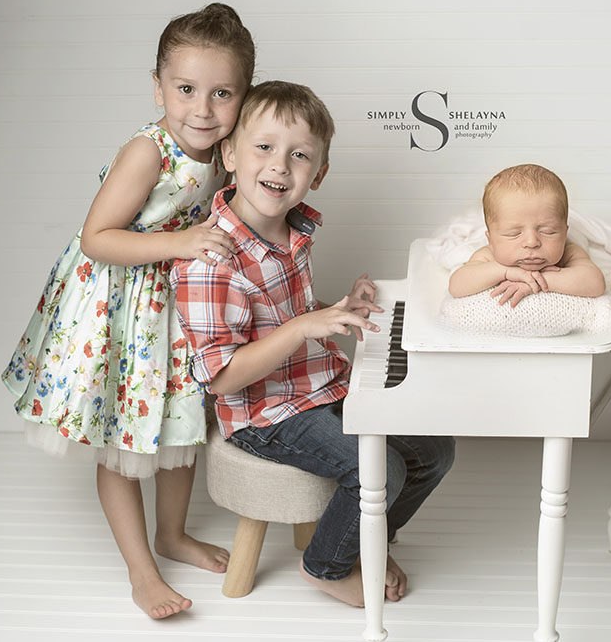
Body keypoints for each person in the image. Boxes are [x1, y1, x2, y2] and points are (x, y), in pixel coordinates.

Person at [1, 3, 254, 619]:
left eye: (222, 93)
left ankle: (172, 534)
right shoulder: (149, 152)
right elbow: (97, 237)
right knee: (120, 435)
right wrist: (183, 243)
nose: (202, 108)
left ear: (243, 96)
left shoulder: (227, 148)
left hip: (174, 310)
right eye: (186, 89)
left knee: (179, 422)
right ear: (158, 85)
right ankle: (142, 570)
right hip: (116, 309)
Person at [171, 81, 456, 607]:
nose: (280, 165)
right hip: (265, 416)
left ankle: (367, 540)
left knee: (435, 450)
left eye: (299, 155)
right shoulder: (211, 260)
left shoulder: (291, 232)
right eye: (264, 147)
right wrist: (302, 328)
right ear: (229, 154)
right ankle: (325, 567)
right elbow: (222, 376)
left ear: (318, 174)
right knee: (379, 468)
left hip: (319, 387)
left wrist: (338, 308)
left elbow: (288, 312)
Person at [448, 163, 606, 306]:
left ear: (564, 234)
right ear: (490, 240)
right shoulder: (488, 255)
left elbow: (595, 283)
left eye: (547, 231)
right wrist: (504, 271)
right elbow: (456, 286)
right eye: (513, 234)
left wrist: (539, 280)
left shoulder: (568, 251)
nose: (532, 242)